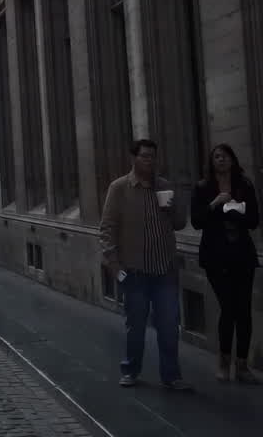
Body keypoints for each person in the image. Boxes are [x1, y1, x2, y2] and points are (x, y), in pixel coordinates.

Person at [99, 139, 191, 391]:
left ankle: (171, 375)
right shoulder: (119, 188)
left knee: (169, 326)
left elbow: (180, 224)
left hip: (165, 269)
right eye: (144, 157)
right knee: (135, 326)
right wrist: (115, 266)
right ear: (134, 159)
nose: (149, 161)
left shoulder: (165, 186)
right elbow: (107, 229)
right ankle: (130, 370)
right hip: (135, 271)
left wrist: (175, 205)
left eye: (153, 157)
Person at [191, 144, 261, 383]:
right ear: (211, 163)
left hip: (242, 255)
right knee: (228, 307)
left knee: (244, 310)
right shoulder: (203, 188)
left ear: (232, 159)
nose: (221, 160)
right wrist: (215, 203)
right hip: (216, 257)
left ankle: (242, 365)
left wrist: (235, 211)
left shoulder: (245, 185)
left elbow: (253, 221)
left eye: (225, 156)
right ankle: (223, 361)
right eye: (216, 157)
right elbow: (197, 221)